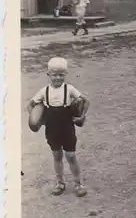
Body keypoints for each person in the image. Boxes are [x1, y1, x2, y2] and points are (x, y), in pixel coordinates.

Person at [27, 57, 90, 197]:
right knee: (57, 156)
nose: (58, 78)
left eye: (61, 74)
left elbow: (86, 101)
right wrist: (38, 120)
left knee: (71, 155)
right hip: (52, 127)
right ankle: (60, 183)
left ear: (65, 74)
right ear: (48, 75)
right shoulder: (44, 91)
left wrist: (81, 116)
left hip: (67, 126)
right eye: (54, 74)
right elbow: (30, 105)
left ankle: (78, 183)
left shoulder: (69, 89)